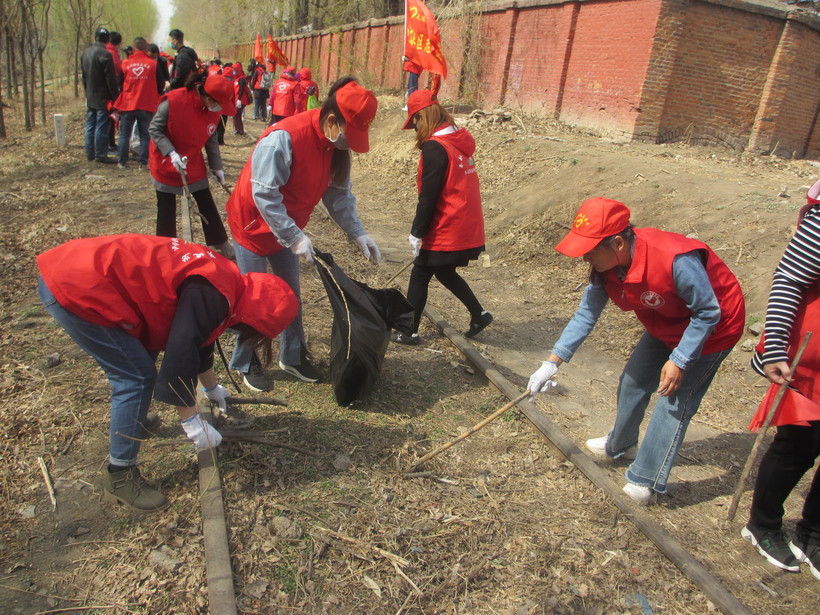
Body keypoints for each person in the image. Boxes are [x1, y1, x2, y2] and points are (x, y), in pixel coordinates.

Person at [37, 234, 298, 511]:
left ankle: (132, 419)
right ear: (255, 319)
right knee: (135, 377)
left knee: (140, 360)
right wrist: (191, 421)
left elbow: (200, 338)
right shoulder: (213, 297)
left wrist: (211, 388)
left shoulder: (227, 282)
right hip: (77, 285)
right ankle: (120, 476)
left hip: (80, 267)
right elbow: (182, 349)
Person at [527, 197, 745, 505]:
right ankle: (622, 444)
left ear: (617, 243)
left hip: (712, 329)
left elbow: (708, 312)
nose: (585, 258)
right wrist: (552, 362)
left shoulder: (673, 259)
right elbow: (586, 314)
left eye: (590, 250)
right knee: (633, 381)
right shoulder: (607, 269)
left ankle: (646, 480)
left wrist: (680, 359)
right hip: (666, 322)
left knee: (672, 400)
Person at [226, 77, 381, 390]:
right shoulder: (283, 138)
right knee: (254, 298)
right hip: (253, 224)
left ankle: (292, 355)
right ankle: (245, 360)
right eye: (349, 135)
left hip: (286, 228)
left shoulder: (336, 147)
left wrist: (357, 232)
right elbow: (265, 195)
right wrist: (294, 237)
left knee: (290, 295)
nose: (349, 144)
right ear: (332, 119)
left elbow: (339, 194)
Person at [741, 178, 820, 578]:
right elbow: (789, 278)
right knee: (800, 445)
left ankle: (814, 533)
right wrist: (774, 349)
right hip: (811, 358)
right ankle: (764, 524)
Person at [392, 90, 492, 345]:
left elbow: (430, 196)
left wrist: (417, 232)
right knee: (445, 271)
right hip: (466, 224)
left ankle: (408, 330)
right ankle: (479, 314)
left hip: (449, 224)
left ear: (422, 116)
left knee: (421, 272)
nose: (414, 128)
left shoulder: (436, 148)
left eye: (414, 121)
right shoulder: (457, 142)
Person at [148, 73, 236, 258]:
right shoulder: (173, 101)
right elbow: (154, 129)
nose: (220, 108)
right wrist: (171, 153)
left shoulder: (213, 109)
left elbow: (211, 138)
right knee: (166, 206)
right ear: (208, 97)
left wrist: (217, 167)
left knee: (206, 201)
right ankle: (165, 248)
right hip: (166, 160)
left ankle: (220, 241)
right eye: (218, 104)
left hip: (192, 161)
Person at [115, 37, 164, 169]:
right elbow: (161, 84)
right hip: (146, 104)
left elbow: (119, 83)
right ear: (146, 48)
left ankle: (122, 161)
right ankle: (143, 163)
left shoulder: (125, 63)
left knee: (125, 134)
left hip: (128, 103)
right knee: (144, 135)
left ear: (134, 47)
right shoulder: (153, 64)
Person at [81, 27, 119, 164]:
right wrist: (115, 97)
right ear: (107, 39)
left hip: (90, 95)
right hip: (103, 97)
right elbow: (111, 79)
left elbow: (84, 77)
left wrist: (87, 92)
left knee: (90, 124)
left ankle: (89, 152)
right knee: (101, 126)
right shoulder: (105, 54)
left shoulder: (86, 53)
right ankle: (100, 154)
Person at [230, 62, 250, 135]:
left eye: (234, 70)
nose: (233, 71)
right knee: (237, 115)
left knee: (236, 114)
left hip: (241, 100)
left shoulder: (241, 79)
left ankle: (239, 130)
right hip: (238, 99)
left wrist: (239, 99)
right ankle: (238, 130)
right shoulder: (236, 78)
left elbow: (241, 89)